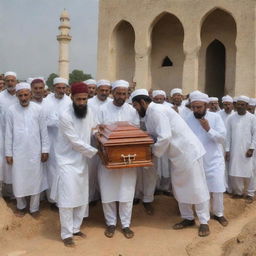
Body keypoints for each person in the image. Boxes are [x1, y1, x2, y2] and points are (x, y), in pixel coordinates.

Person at [131, 89, 210, 237]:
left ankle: (204, 222)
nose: (135, 109)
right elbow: (155, 134)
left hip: (188, 153)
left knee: (197, 187)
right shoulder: (149, 114)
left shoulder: (157, 111)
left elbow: (165, 137)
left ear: (142, 102)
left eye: (135, 106)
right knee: (180, 187)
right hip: (177, 155)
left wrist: (153, 152)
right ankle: (188, 218)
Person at [51, 82, 98, 247]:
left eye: (84, 99)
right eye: (78, 99)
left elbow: (94, 129)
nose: (82, 103)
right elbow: (75, 141)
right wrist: (96, 152)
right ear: (72, 97)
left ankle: (76, 228)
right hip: (67, 161)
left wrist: (101, 135)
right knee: (67, 198)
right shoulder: (65, 115)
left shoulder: (90, 111)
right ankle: (66, 234)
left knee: (81, 196)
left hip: (82, 160)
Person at [97, 80, 140, 239]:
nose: (121, 96)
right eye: (119, 93)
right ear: (112, 93)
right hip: (109, 157)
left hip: (128, 157)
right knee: (108, 191)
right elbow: (97, 130)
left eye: (124, 93)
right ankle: (111, 223)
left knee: (126, 192)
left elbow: (137, 129)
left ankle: (126, 224)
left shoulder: (131, 110)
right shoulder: (102, 109)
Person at [5, 82, 49, 217]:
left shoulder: (38, 109)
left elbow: (44, 131)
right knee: (19, 180)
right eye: (20, 95)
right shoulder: (11, 110)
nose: (23, 98)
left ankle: (34, 208)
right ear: (17, 96)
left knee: (35, 180)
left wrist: (45, 149)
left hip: (35, 152)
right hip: (18, 152)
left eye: (26, 95)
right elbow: (8, 133)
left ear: (30, 94)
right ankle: (21, 206)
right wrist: (9, 153)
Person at [184, 91, 228, 227]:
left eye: (199, 107)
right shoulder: (188, 119)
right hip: (196, 160)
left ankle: (219, 213)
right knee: (200, 188)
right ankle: (202, 216)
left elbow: (222, 138)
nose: (196, 110)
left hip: (214, 160)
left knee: (217, 188)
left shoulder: (215, 118)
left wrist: (208, 129)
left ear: (206, 105)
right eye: (194, 107)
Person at [43, 77, 72, 205]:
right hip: (49, 140)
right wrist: (56, 121)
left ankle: (61, 199)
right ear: (54, 88)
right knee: (50, 169)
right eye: (59, 88)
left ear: (66, 88)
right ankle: (50, 198)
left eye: (63, 88)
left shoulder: (69, 102)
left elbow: (70, 121)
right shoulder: (46, 101)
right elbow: (44, 120)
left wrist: (57, 121)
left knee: (62, 170)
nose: (61, 90)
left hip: (64, 142)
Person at [226, 96, 256, 203]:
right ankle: (238, 192)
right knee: (235, 171)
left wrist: (252, 148)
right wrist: (227, 150)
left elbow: (255, 135)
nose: (239, 106)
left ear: (247, 106)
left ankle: (250, 193)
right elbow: (228, 135)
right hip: (234, 149)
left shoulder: (252, 118)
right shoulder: (231, 118)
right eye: (238, 104)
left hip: (248, 150)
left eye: (242, 104)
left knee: (251, 172)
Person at [87, 79, 112, 204]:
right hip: (91, 142)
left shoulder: (111, 103)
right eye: (101, 90)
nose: (104, 92)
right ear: (97, 90)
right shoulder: (89, 103)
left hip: (108, 144)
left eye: (106, 90)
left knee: (106, 172)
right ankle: (90, 198)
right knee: (91, 172)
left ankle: (105, 198)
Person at [0, 71, 18, 197]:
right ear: (5, 82)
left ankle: (16, 193)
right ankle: (5, 193)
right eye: (8, 81)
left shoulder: (21, 95)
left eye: (12, 80)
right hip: (2, 134)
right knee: (4, 164)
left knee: (17, 164)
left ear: (16, 81)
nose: (10, 83)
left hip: (19, 136)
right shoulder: (0, 96)